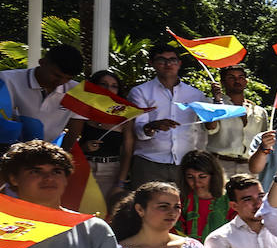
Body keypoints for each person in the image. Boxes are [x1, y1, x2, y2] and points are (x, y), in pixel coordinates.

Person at [128, 44, 207, 187]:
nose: (168, 64)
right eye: (161, 60)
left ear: (179, 63)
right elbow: (139, 131)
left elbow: (204, 130)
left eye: (172, 60)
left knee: (185, 202)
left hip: (186, 164)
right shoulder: (140, 92)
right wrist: (153, 126)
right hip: (149, 162)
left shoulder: (196, 95)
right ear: (151, 63)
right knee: (146, 201)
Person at [68, 68, 135, 201]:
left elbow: (128, 152)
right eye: (103, 84)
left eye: (114, 86)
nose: (109, 89)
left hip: (111, 171)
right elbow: (68, 141)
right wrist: (83, 147)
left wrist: (120, 183)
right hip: (83, 166)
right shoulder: (82, 110)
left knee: (106, 210)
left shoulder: (125, 116)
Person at [0, 44, 81, 144]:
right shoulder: (6, 80)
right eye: (56, 75)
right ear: (42, 62)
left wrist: (62, 152)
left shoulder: (76, 91)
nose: (61, 82)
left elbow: (74, 131)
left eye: (68, 78)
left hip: (47, 150)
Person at [203, 65, 270, 179]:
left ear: (246, 81)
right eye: (231, 77)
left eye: (241, 77)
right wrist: (217, 101)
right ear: (222, 82)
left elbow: (263, 142)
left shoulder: (259, 111)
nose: (237, 81)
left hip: (249, 167)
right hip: (220, 164)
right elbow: (210, 128)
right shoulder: (212, 105)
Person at [177, 150, 229, 241]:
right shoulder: (181, 199)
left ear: (214, 176)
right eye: (190, 177)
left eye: (202, 177)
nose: (196, 182)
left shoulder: (230, 198)